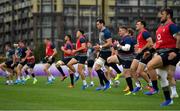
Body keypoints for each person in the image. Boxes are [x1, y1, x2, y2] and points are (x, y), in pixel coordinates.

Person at [145, 8, 180, 106]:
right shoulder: (160, 28)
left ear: (168, 15)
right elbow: (158, 43)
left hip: (169, 52)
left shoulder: (172, 26)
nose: (161, 16)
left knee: (150, 65)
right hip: (161, 52)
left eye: (162, 14)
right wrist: (150, 51)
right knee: (163, 77)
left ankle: (155, 88)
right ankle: (168, 99)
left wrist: (175, 51)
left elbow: (179, 38)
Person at [107, 26, 136, 95]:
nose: (119, 32)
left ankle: (131, 90)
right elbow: (119, 48)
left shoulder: (127, 38)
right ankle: (119, 72)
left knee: (127, 74)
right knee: (109, 60)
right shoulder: (123, 38)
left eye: (120, 31)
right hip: (121, 57)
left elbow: (127, 48)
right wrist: (115, 46)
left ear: (124, 31)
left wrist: (118, 45)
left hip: (127, 58)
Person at [130, 20, 155, 93]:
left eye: (137, 24)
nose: (136, 25)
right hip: (140, 53)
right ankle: (138, 86)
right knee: (132, 69)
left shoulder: (145, 32)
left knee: (140, 71)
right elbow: (142, 43)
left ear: (142, 25)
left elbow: (150, 43)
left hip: (146, 53)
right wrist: (137, 47)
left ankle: (151, 85)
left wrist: (142, 49)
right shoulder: (140, 33)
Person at [93, 19, 112, 91]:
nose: (97, 25)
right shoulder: (101, 32)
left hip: (106, 52)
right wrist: (98, 47)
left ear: (102, 24)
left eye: (98, 24)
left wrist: (100, 47)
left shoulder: (106, 32)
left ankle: (106, 83)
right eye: (96, 24)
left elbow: (109, 43)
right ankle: (103, 84)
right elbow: (103, 43)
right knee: (99, 68)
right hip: (103, 51)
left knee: (97, 67)